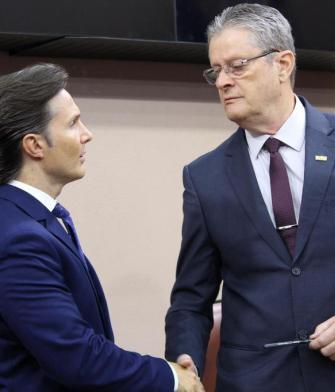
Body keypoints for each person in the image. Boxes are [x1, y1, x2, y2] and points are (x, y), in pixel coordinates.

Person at [165, 4, 335, 392]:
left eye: (236, 66)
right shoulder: (204, 177)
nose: (222, 81)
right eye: (215, 71)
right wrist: (184, 365)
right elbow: (190, 298)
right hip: (254, 381)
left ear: (283, 64)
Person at [0, 63, 204, 392]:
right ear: (35, 145)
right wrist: (170, 377)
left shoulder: (34, 219)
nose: (86, 134)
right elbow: (75, 357)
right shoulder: (19, 238)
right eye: (72, 123)